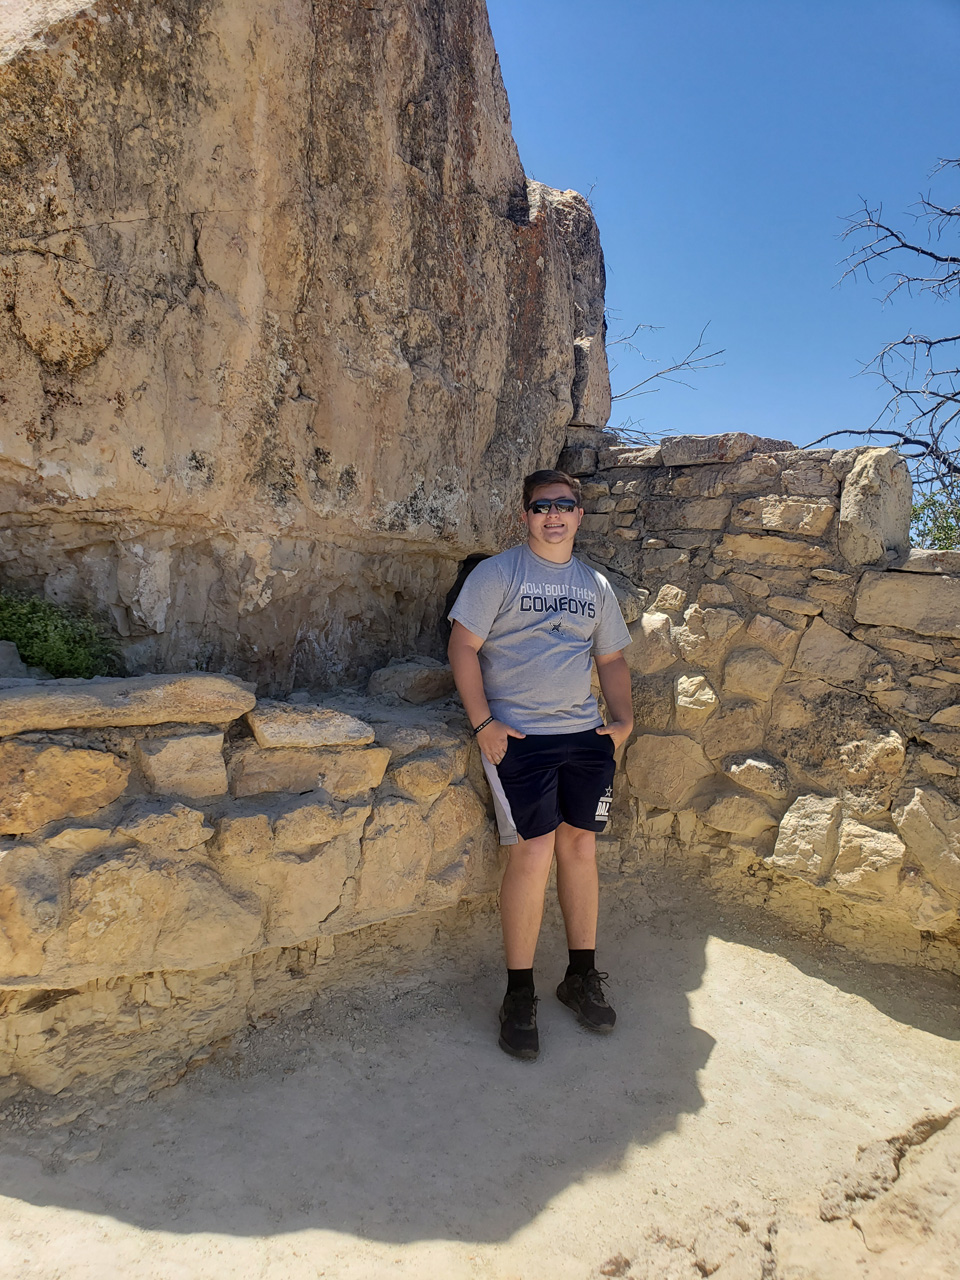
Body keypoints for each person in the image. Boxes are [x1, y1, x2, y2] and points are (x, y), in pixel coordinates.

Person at [447, 468, 634, 1060]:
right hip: (519, 737)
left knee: (580, 846)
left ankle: (581, 975)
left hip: (583, 735)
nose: (553, 515)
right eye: (541, 506)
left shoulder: (595, 586)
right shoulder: (497, 573)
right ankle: (519, 993)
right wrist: (484, 724)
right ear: (525, 516)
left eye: (565, 505)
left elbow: (611, 658)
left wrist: (622, 720)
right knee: (532, 849)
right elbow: (462, 646)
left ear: (580, 515)